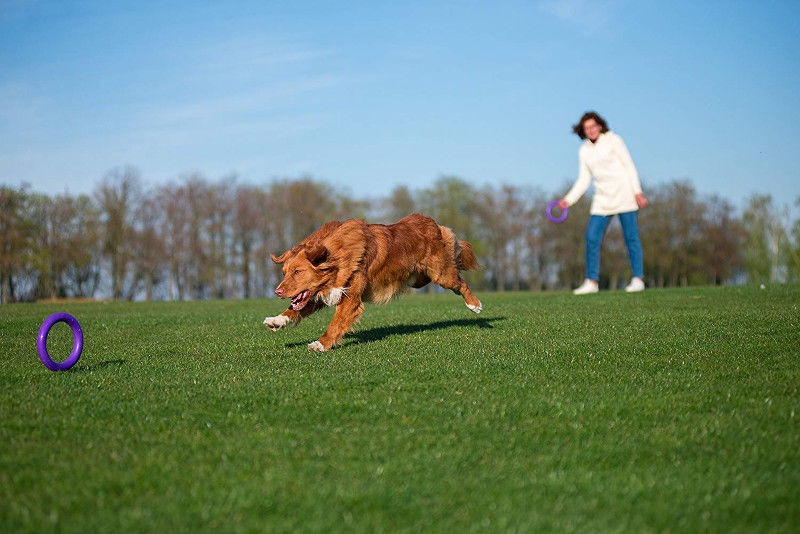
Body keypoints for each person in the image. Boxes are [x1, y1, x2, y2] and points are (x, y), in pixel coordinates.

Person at [558, 111, 648, 295]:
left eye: (593, 126)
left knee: (631, 237)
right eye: (586, 128)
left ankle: (638, 279)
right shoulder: (584, 151)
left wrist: (637, 191)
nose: (590, 130)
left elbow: (629, 165)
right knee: (592, 237)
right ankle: (592, 281)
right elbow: (584, 180)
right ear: (583, 131)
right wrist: (568, 200)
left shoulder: (614, 140)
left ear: (600, 125)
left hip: (624, 194)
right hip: (602, 199)